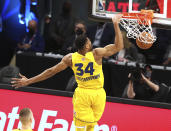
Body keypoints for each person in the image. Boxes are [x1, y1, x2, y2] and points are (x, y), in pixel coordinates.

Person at [11, 15, 123, 131]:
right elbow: (118, 46)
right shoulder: (96, 54)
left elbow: (50, 72)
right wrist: (115, 24)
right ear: (86, 46)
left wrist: (29, 81)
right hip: (95, 93)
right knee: (86, 126)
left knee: (90, 125)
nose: (91, 42)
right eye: (89, 41)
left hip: (88, 94)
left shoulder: (70, 58)